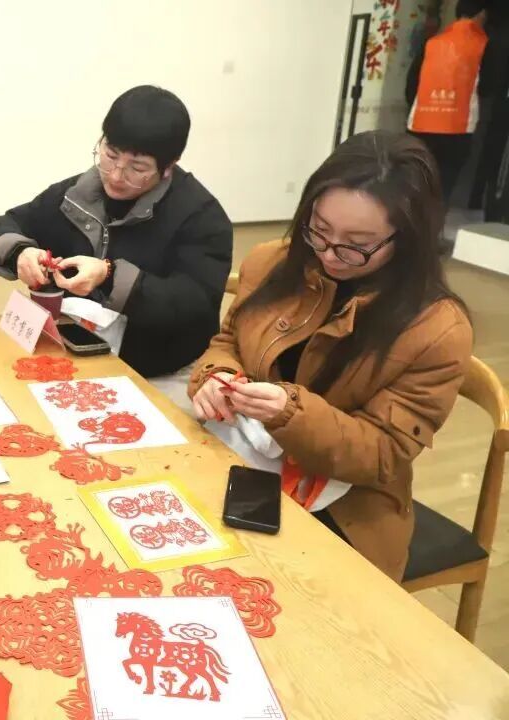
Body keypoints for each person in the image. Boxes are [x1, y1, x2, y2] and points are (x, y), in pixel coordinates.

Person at [189, 131, 473, 582]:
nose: (329, 254)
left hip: (346, 506)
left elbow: (382, 455)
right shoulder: (273, 263)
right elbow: (229, 340)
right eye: (318, 230)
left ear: (409, 237)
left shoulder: (436, 329)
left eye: (356, 244)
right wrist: (217, 375)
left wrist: (291, 414)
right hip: (241, 459)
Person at [0, 85, 233, 377]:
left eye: (137, 168)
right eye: (110, 155)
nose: (115, 176)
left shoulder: (201, 217)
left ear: (168, 167)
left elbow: (192, 305)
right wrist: (21, 253)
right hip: (75, 355)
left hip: (161, 369)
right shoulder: (76, 194)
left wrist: (109, 276)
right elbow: (7, 224)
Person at [406, 0, 490, 204]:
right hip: (456, 129)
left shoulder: (433, 42)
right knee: (442, 191)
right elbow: (489, 86)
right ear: (481, 14)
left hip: (420, 126)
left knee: (414, 185)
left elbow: (411, 84)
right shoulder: (483, 45)